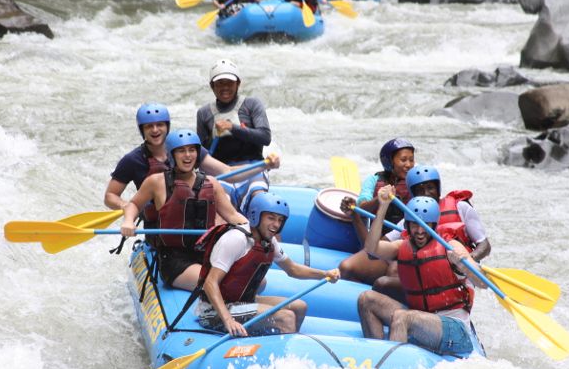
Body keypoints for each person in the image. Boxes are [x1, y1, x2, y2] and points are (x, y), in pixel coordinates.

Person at [357, 189, 487, 356]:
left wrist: (465, 266)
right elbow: (371, 249)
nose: (419, 231)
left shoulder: (452, 247)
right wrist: (382, 207)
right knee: (366, 299)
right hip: (421, 320)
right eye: (414, 225)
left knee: (402, 317)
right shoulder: (402, 247)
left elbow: (483, 282)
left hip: (454, 329)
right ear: (407, 226)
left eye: (425, 225)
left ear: (434, 225)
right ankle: (378, 356)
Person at [120, 129, 249, 291]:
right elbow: (134, 205)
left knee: (254, 281)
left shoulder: (211, 183)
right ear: (171, 155)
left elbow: (232, 215)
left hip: (207, 253)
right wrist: (128, 221)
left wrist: (252, 230)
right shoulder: (156, 182)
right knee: (227, 285)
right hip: (175, 259)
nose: (187, 155)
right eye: (181, 151)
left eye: (192, 150)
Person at [196, 192, 340, 336]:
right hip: (213, 311)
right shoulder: (236, 239)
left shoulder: (269, 241)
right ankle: (282, 352)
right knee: (286, 318)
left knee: (300, 307)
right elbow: (210, 283)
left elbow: (293, 269)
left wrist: (324, 274)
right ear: (255, 216)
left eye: (280, 220)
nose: (276, 225)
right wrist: (228, 320)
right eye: (270, 218)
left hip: (243, 302)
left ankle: (281, 340)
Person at [105, 102, 280, 212]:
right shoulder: (133, 160)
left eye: (160, 125)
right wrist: (126, 206)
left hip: (193, 216)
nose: (155, 130)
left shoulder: (186, 149)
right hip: (160, 223)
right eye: (149, 126)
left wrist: (264, 165)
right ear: (142, 130)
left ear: (167, 126)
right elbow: (110, 195)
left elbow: (228, 172)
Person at [197, 59, 275, 213]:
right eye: (220, 83)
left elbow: (265, 137)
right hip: (222, 171)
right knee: (221, 202)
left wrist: (232, 128)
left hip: (252, 168)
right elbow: (201, 154)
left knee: (260, 201)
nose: (225, 87)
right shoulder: (204, 113)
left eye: (229, 83)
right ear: (212, 86)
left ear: (238, 84)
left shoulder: (252, 104)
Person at [337, 139, 415, 285]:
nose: (409, 165)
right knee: (346, 268)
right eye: (403, 160)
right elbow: (361, 209)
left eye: (411, 160)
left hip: (407, 245)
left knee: (393, 272)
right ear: (389, 162)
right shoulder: (374, 180)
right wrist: (381, 199)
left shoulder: (417, 181)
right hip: (379, 245)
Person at [388, 165, 492, 262]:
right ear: (413, 194)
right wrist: (383, 206)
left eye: (430, 188)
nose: (426, 193)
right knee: (384, 280)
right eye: (420, 190)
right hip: (429, 272)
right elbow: (384, 243)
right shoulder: (411, 218)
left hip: (461, 272)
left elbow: (484, 245)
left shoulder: (460, 207)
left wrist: (468, 260)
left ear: (438, 189)